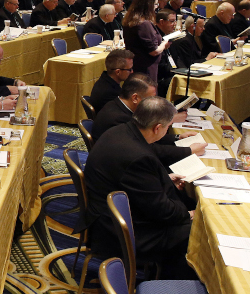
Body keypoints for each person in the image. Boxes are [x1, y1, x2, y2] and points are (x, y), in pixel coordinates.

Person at [84, 97, 197, 279]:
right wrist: (188, 214)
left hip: (107, 211)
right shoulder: (138, 156)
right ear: (158, 128)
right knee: (193, 230)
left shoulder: (121, 131)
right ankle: (168, 287)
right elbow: (162, 211)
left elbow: (132, 181)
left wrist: (165, 180)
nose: (167, 130)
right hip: (116, 231)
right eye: (168, 127)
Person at [92, 73, 201, 163]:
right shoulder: (118, 119)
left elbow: (150, 135)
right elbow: (149, 148)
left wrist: (177, 137)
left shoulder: (119, 106)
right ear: (135, 98)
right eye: (151, 98)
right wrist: (188, 151)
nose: (153, 102)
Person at [122, 0, 168, 82]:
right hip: (146, 68)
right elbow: (153, 51)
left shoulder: (132, 20)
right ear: (148, 5)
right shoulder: (143, 24)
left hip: (138, 65)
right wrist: (164, 44)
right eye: (155, 4)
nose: (157, 6)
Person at [87, 48, 134, 114]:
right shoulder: (110, 93)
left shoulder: (105, 79)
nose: (132, 72)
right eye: (129, 69)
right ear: (118, 72)